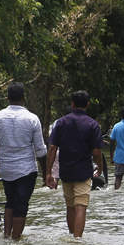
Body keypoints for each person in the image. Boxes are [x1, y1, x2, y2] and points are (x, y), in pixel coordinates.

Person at [0, 83, 47, 240]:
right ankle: (16, 240)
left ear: (7, 98)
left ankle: (6, 236)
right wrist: (46, 173)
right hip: (26, 169)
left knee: (10, 201)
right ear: (24, 98)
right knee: (21, 204)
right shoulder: (32, 119)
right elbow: (41, 150)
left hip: (6, 169)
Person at [45, 90, 106, 237]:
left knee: (70, 206)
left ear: (72, 104)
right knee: (81, 206)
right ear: (88, 104)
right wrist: (100, 166)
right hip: (83, 171)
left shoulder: (61, 123)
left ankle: (72, 234)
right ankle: (77, 240)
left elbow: (52, 148)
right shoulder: (93, 125)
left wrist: (48, 173)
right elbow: (97, 152)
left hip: (65, 171)